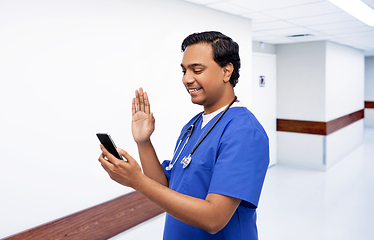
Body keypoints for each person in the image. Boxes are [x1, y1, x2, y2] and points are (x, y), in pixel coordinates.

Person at [99, 31, 269, 240]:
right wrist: (143, 142)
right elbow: (166, 188)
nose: (187, 79)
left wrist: (137, 181)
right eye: (184, 71)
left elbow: (214, 219)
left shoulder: (244, 132)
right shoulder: (193, 125)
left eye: (197, 70)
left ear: (226, 72)